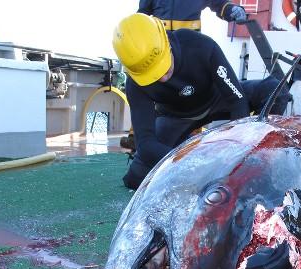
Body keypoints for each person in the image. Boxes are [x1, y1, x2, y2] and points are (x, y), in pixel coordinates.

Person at [113, 13, 290, 189]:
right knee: (136, 177)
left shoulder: (200, 46)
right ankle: (186, 143)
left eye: (164, 65)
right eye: (152, 76)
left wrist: (238, 150)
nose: (163, 77)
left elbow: (237, 101)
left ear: (166, 40)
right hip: (175, 116)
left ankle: (263, 154)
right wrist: (191, 165)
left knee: (275, 90)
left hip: (218, 98)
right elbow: (145, 144)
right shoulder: (135, 83)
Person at [138, 0, 247, 31]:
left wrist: (233, 9)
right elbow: (142, 15)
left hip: (191, 47)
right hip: (160, 47)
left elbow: (220, 4)